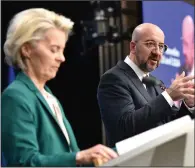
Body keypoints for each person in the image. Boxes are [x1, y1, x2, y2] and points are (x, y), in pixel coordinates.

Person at [1, 8, 118, 167]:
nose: (62, 58)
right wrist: (79, 157)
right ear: (26, 49)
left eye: (62, 50)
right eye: (53, 49)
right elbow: (24, 163)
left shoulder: (49, 97)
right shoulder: (16, 96)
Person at [97, 23, 195, 147]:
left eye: (161, 46)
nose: (157, 52)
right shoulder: (114, 78)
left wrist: (190, 103)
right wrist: (169, 96)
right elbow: (124, 126)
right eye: (150, 44)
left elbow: (171, 123)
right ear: (133, 47)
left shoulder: (155, 83)